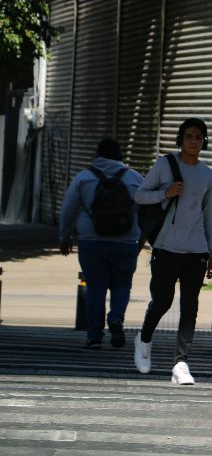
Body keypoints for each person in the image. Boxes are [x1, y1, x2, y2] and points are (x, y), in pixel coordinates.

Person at [133, 118, 212, 385]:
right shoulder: (164, 165)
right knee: (162, 301)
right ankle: (144, 338)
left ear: (204, 142)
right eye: (189, 136)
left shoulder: (207, 175)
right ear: (180, 139)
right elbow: (139, 195)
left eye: (199, 137)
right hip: (166, 247)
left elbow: (209, 216)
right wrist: (165, 193)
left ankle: (180, 363)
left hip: (196, 251)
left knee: (189, 307)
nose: (194, 141)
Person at [59, 138, 144, 349]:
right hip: (126, 243)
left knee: (96, 288)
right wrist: (142, 239)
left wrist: (64, 237)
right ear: (120, 155)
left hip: (91, 242)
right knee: (122, 285)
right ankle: (116, 318)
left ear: (97, 155)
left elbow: (68, 209)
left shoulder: (84, 177)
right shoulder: (135, 178)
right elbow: (148, 211)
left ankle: (94, 336)